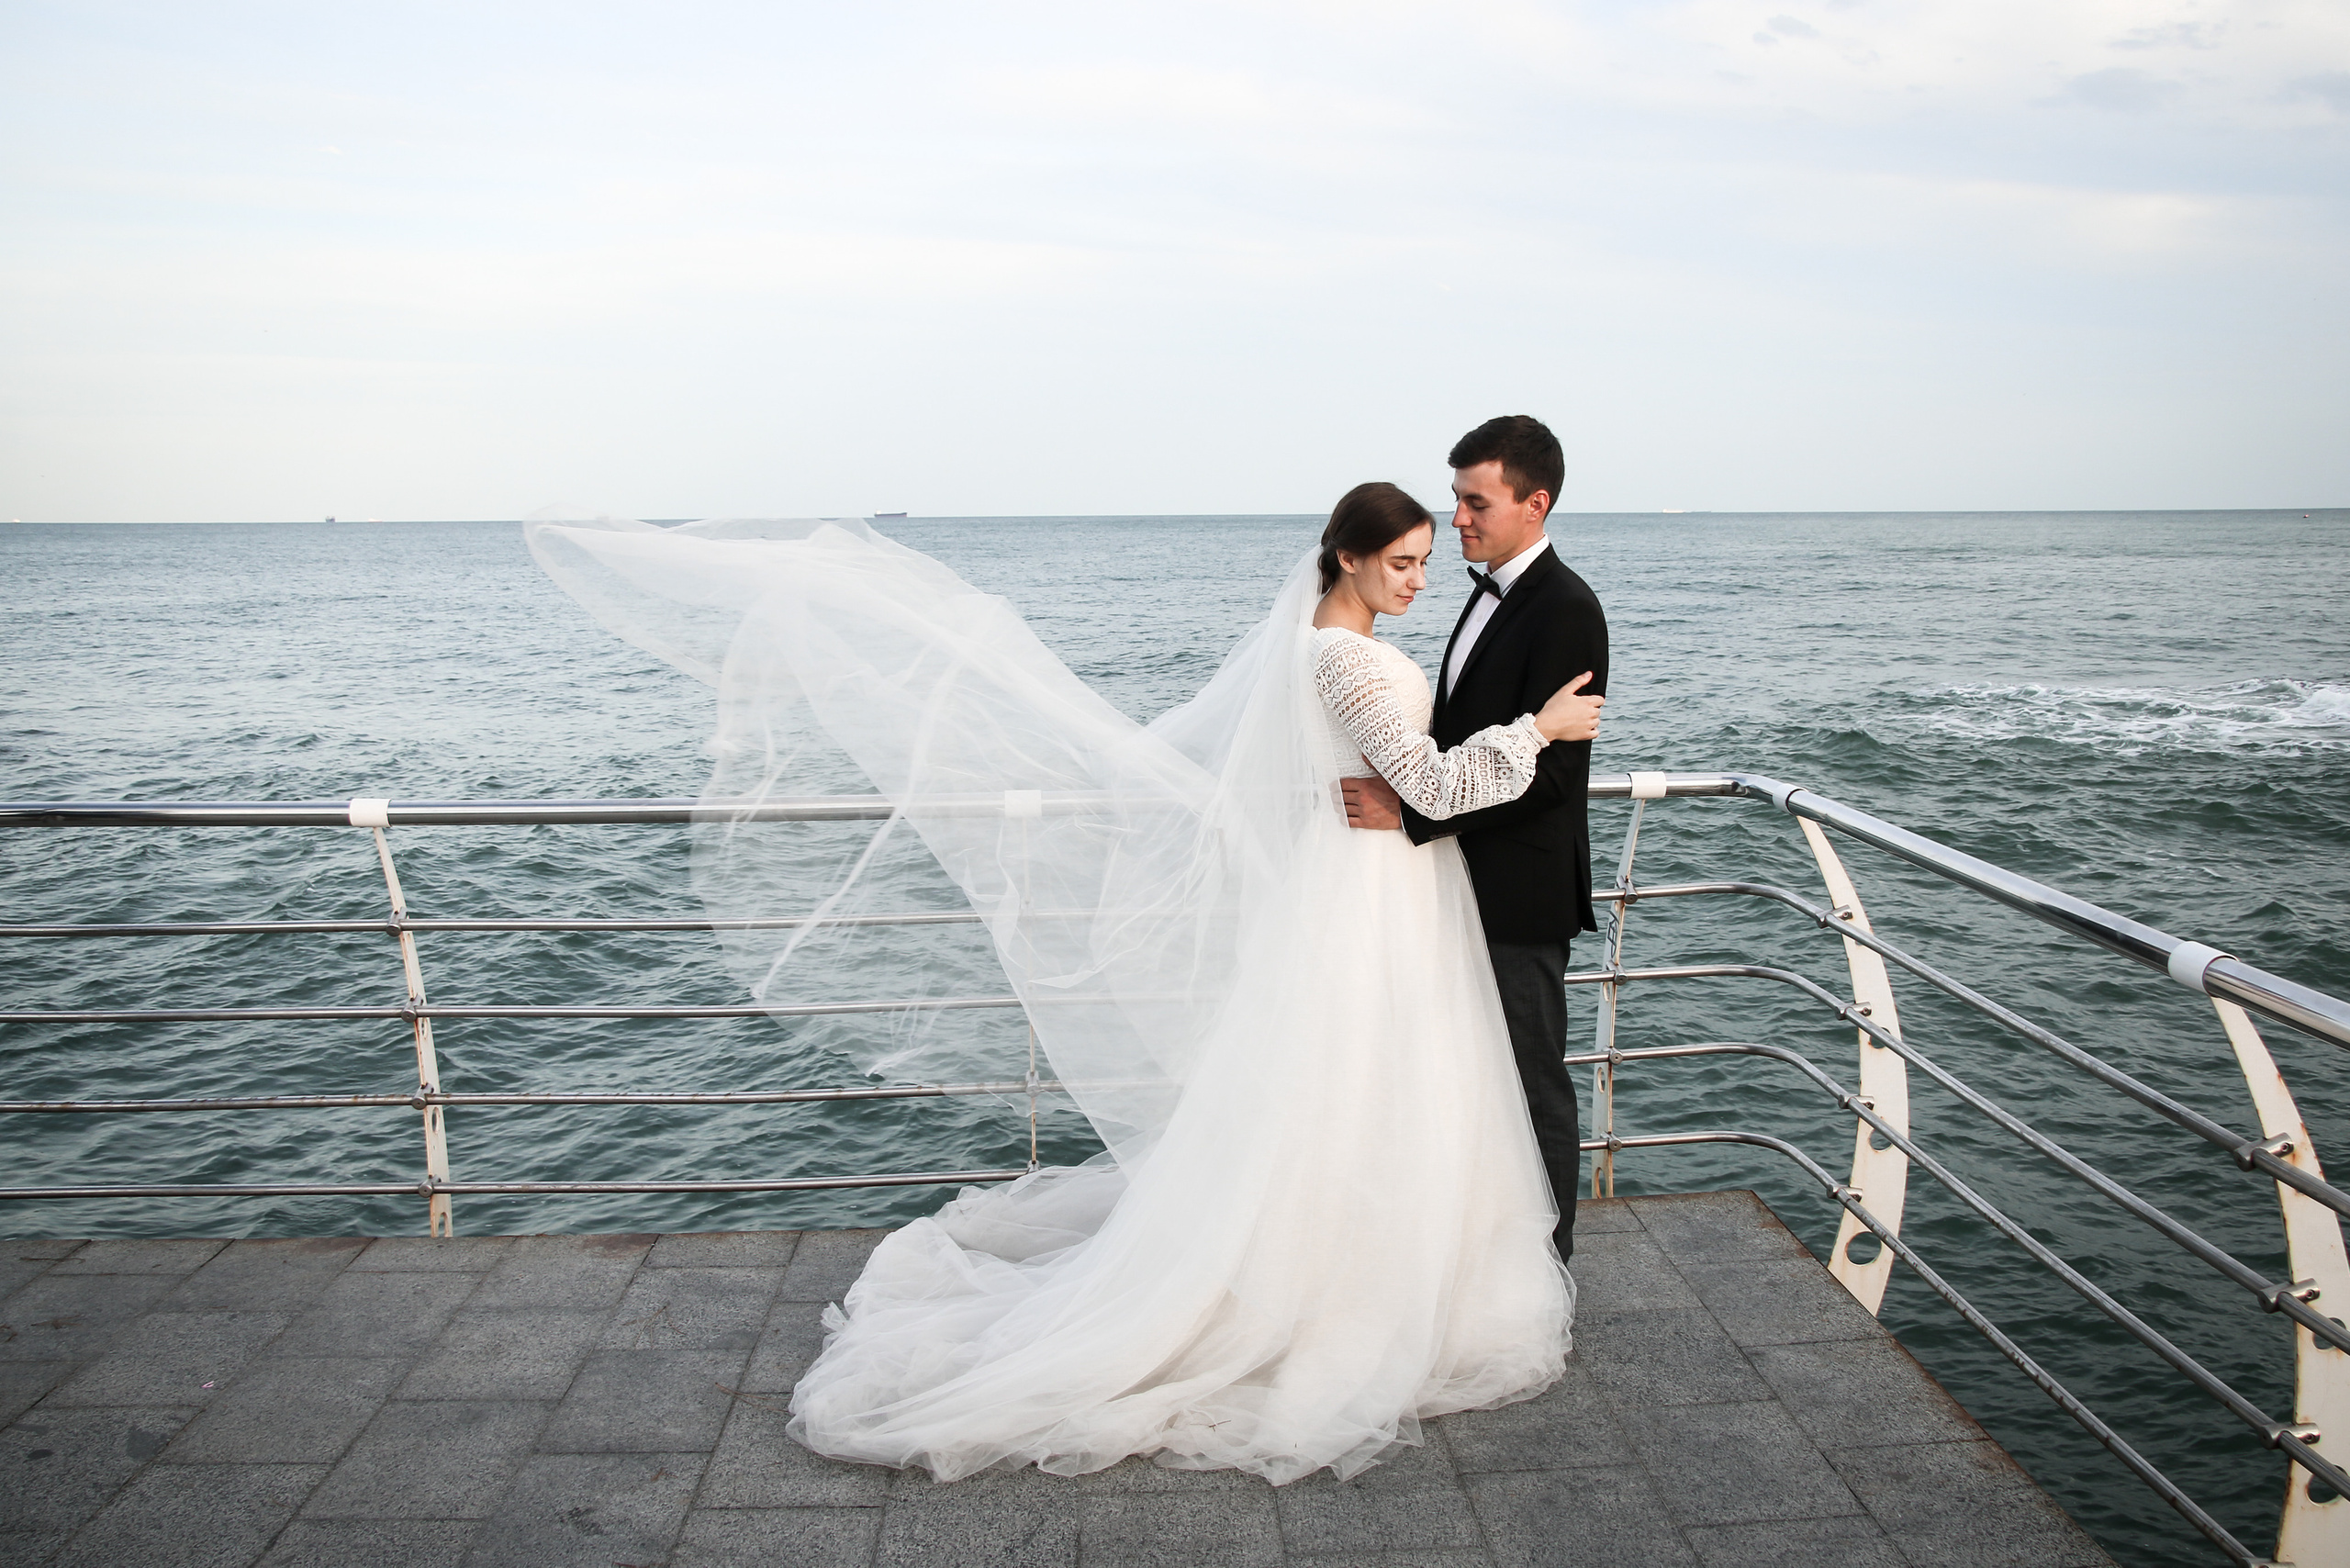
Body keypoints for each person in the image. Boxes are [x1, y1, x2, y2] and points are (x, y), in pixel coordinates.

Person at [521, 479, 1601, 1485]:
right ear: (1351, 559)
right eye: (1403, 562)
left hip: (1366, 881)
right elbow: (1425, 779)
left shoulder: (1324, 645)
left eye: (1426, 558)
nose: (1419, 578)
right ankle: (1345, 1287)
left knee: (1354, 1086)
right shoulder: (1350, 660)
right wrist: (1537, 731)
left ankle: (1347, 1263)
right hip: (1372, 889)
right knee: (1366, 1080)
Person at [1339, 416, 1607, 1262]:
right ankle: (1477, 1245)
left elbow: (1555, 779)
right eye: (1457, 499)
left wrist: (1415, 812)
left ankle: (1547, 1265)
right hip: (1454, 883)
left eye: (1473, 501)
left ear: (1535, 504)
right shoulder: (1487, 588)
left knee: (1532, 1084)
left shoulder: (1567, 608)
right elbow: (1457, 739)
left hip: (1518, 895)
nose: (1457, 518)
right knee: (1462, 1080)